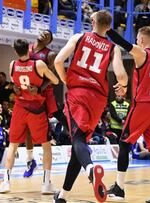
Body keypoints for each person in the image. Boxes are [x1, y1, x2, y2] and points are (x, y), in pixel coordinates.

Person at [53, 10, 128, 203]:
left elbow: (58, 60)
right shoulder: (113, 48)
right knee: (80, 142)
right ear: (109, 27)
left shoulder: (79, 38)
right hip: (98, 99)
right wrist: (124, 86)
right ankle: (63, 196)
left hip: (78, 93)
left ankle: (91, 169)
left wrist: (65, 79)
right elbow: (121, 76)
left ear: (92, 21)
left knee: (78, 140)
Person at [106, 20, 150, 202]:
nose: (135, 41)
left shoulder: (141, 53)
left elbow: (122, 43)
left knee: (124, 143)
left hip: (143, 105)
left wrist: (108, 30)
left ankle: (119, 188)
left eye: (137, 39)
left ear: (142, 40)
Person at [0, 39, 59, 193]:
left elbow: (15, 86)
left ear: (16, 52)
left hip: (19, 107)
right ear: (29, 50)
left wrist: (17, 90)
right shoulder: (39, 65)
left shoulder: (12, 65)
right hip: (36, 108)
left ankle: (6, 182)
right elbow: (55, 80)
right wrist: (39, 88)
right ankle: (45, 184)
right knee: (46, 145)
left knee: (13, 145)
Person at [23, 30, 60, 185]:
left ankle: (80, 141)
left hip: (43, 93)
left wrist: (39, 89)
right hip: (27, 92)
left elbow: (52, 78)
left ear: (49, 41)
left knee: (55, 120)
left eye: (48, 36)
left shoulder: (49, 54)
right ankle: (30, 160)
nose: (44, 35)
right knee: (27, 128)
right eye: (43, 33)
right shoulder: (27, 48)